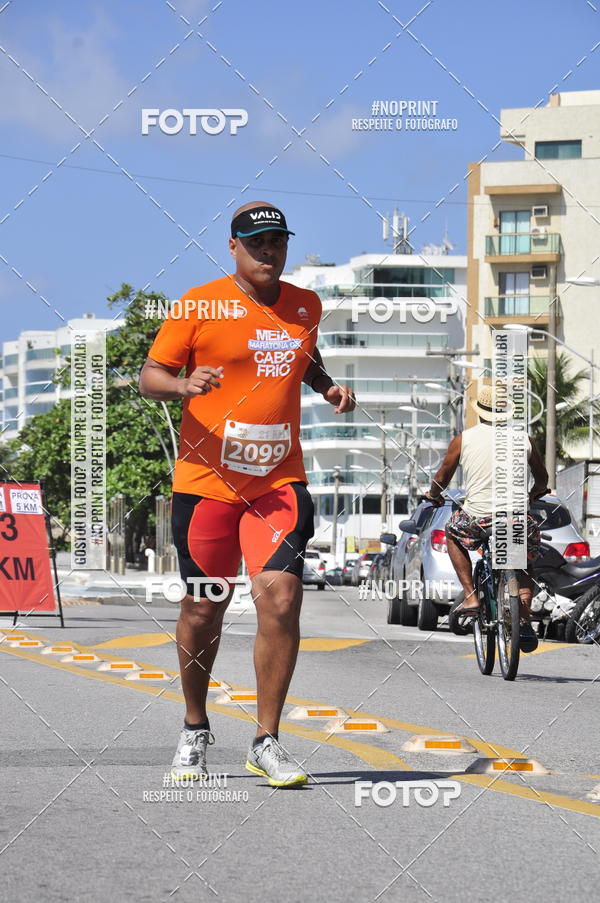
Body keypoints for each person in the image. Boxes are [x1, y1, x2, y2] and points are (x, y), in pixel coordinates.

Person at [139, 201, 355, 787]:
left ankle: (267, 740)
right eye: (256, 242)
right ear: (232, 247)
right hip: (207, 483)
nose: (268, 251)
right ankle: (193, 725)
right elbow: (149, 376)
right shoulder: (198, 304)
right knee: (205, 604)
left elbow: (302, 358)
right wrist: (184, 383)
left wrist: (329, 386)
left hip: (277, 480)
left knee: (282, 598)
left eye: (277, 241)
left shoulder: (305, 304)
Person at [423, 384, 549, 652]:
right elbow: (542, 476)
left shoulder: (464, 439)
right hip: (515, 518)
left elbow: (442, 477)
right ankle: (523, 612)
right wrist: (536, 491)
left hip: (478, 518)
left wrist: (434, 494)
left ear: (479, 412)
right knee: (523, 557)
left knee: (452, 532)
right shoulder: (523, 438)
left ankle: (470, 596)